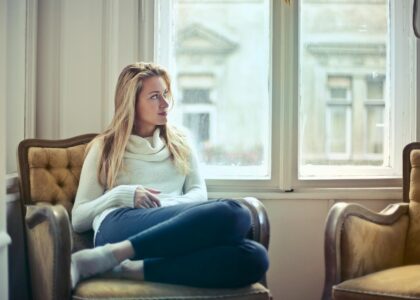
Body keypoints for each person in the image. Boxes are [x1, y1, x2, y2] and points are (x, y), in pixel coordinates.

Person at [70, 62, 269, 289]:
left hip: (172, 222)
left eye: (165, 94)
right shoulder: (105, 147)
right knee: (234, 213)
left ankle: (126, 268)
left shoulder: (180, 141)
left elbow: (198, 193)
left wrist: (167, 203)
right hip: (119, 224)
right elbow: (79, 218)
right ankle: (112, 252)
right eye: (154, 96)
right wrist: (121, 194)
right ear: (131, 103)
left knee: (254, 257)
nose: (165, 103)